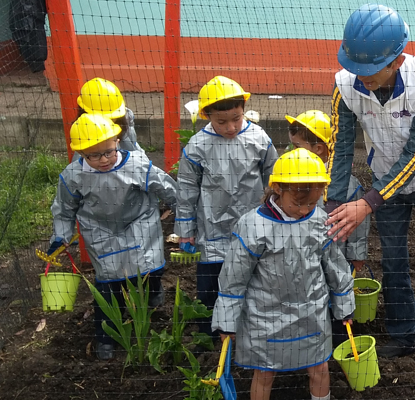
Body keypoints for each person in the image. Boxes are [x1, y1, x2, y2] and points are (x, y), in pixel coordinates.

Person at [326, 3, 415, 358]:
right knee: (392, 260)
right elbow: (339, 147)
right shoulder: (345, 86)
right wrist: (331, 203)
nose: (361, 76)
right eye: (354, 67)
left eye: (370, 70)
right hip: (384, 180)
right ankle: (403, 336)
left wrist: (367, 202)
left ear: (397, 61)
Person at [212, 148, 355, 400]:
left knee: (320, 367)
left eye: (312, 202)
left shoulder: (319, 220)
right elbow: (234, 277)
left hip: (312, 312)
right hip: (265, 317)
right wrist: (227, 320)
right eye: (298, 203)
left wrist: (344, 304)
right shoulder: (253, 226)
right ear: (278, 189)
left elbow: (335, 265)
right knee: (264, 372)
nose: (304, 210)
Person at [48, 114, 177, 360]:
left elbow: (165, 187)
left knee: (150, 266)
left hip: (138, 220)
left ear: (118, 140)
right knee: (108, 285)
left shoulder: (137, 164)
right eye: (93, 155)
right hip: (101, 229)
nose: (103, 159)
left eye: (108, 152)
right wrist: (61, 235)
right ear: (81, 153)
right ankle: (106, 335)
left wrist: (183, 210)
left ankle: (154, 290)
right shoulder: (72, 176)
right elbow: (64, 209)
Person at [175, 75, 278, 342]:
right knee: (210, 285)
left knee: (254, 279)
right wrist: (185, 229)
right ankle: (206, 336)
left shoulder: (259, 138)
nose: (231, 127)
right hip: (212, 227)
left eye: (237, 118)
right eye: (221, 121)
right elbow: (186, 188)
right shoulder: (197, 145)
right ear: (207, 115)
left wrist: (277, 216)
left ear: (243, 111)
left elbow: (274, 177)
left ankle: (249, 329)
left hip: (253, 224)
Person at [285, 110, 371, 346]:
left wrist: (356, 254)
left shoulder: (346, 183)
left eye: (298, 146)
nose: (293, 152)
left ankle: (339, 338)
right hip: (302, 256)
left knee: (337, 291)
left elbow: (360, 224)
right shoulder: (292, 177)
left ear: (319, 149)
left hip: (337, 253)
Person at [77, 77, 144, 153]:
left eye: (112, 117)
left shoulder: (126, 124)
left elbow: (134, 150)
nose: (109, 121)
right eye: (105, 117)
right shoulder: (82, 134)